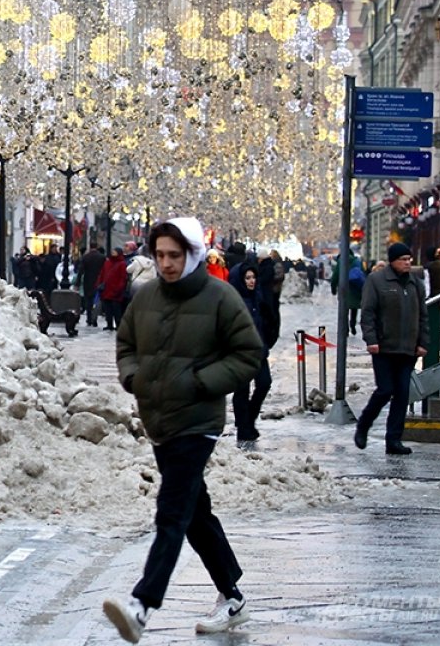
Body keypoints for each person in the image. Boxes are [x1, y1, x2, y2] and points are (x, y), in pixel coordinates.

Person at [103, 217, 262, 643]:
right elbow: (126, 344)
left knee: (171, 512)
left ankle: (141, 606)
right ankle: (233, 596)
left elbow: (249, 354)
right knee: (195, 513)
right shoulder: (146, 296)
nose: (166, 264)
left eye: (175, 255)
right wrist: (133, 378)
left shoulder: (220, 297)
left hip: (198, 423)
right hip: (160, 420)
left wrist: (200, 383)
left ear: (192, 254)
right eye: (160, 255)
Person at [356, 242, 427, 456]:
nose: (408, 263)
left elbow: (423, 315)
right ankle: (364, 425)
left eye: (409, 259)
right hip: (384, 347)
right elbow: (368, 313)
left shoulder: (416, 284)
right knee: (385, 390)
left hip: (407, 349)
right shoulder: (377, 281)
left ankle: (394, 439)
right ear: (393, 261)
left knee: (403, 394)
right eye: (403, 260)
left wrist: (423, 342)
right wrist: (371, 339)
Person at [231, 264, 273, 446]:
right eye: (247, 278)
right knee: (242, 390)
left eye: (253, 277)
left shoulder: (258, 297)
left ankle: (249, 419)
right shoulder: (235, 301)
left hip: (259, 350)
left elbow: (265, 322)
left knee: (264, 383)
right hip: (240, 352)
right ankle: (243, 428)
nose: (251, 281)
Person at [331, 251, 366, 334]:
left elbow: (335, 276)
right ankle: (353, 325)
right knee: (354, 308)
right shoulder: (357, 261)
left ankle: (345, 329)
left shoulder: (340, 262)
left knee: (344, 310)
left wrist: (333, 288)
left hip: (344, 289)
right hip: (356, 288)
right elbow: (363, 274)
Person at [98, 247, 129, 331]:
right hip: (107, 290)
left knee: (116, 310)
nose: (113, 253)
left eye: (114, 252)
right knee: (108, 309)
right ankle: (109, 324)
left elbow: (123, 278)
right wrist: (99, 284)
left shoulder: (122, 264)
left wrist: (119, 288)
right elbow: (102, 273)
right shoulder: (107, 263)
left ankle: (118, 325)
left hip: (116, 291)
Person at [79, 243, 105, 327]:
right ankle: (95, 317)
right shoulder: (102, 257)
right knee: (97, 300)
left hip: (88, 281)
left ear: (89, 247)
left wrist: (78, 282)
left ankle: (89, 318)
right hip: (99, 280)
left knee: (88, 301)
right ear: (97, 247)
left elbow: (81, 270)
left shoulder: (86, 257)